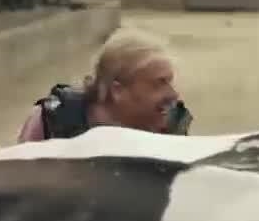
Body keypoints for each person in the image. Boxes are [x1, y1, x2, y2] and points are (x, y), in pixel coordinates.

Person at [16, 27, 193, 143]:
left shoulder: (171, 125)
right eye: (158, 84)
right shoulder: (53, 122)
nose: (173, 95)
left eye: (169, 82)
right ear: (117, 90)